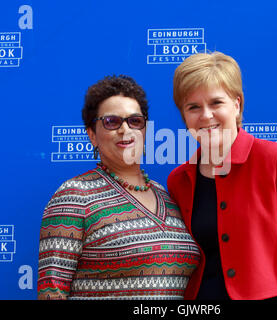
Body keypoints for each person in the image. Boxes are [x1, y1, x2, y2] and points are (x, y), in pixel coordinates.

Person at [167, 52, 277, 300]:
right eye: (193, 107)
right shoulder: (179, 179)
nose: (206, 115)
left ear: (237, 104)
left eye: (216, 103)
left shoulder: (276, 159)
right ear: (184, 116)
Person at [38, 75, 200, 300]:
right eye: (112, 122)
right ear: (92, 134)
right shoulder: (74, 196)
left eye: (135, 121)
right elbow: (51, 293)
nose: (125, 130)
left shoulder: (168, 196)